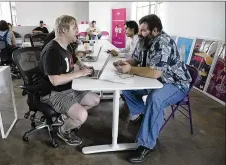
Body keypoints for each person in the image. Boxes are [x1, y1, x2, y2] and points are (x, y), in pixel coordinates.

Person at [114, 14, 192, 163]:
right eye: (140, 30)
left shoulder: (163, 43)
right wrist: (123, 63)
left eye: (143, 30)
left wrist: (130, 70)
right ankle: (145, 115)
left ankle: (146, 145)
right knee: (126, 88)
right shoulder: (144, 40)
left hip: (176, 84)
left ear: (155, 30)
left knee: (155, 98)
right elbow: (136, 59)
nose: (140, 33)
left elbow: (155, 72)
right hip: (156, 81)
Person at [39, 15, 100, 146]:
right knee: (82, 116)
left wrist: (83, 67)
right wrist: (79, 73)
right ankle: (63, 130)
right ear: (64, 30)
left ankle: (66, 117)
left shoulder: (67, 46)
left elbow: (73, 58)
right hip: (53, 93)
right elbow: (55, 81)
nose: (78, 30)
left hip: (68, 88)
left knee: (95, 99)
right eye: (74, 27)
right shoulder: (52, 51)